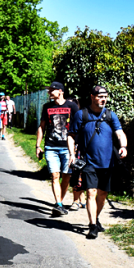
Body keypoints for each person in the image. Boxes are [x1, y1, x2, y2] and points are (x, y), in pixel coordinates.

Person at [69, 85, 128, 240]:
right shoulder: (82, 115)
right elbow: (71, 135)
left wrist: (123, 146)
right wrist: (72, 155)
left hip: (107, 163)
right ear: (92, 96)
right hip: (88, 162)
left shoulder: (110, 115)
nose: (103, 99)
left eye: (106, 97)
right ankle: (92, 226)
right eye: (100, 96)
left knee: (102, 194)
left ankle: (96, 217)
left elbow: (120, 132)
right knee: (91, 192)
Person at [36, 82, 79, 217]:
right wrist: (38, 145)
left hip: (68, 147)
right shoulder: (47, 107)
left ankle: (59, 202)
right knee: (55, 176)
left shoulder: (72, 106)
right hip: (51, 146)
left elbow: (78, 125)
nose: (49, 92)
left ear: (60, 91)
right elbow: (42, 126)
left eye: (52, 90)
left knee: (66, 176)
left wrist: (77, 146)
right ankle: (59, 204)